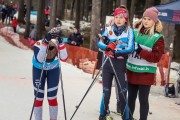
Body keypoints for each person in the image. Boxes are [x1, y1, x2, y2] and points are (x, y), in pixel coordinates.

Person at [126, 7, 165, 120]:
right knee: (130, 98)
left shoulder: (158, 37)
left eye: (149, 19)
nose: (146, 21)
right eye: (144, 18)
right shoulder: (134, 32)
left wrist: (140, 51)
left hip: (146, 73)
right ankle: (129, 118)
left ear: (155, 21)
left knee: (143, 99)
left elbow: (156, 57)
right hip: (131, 70)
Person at [98, 7, 134, 120]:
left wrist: (117, 50)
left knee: (123, 93)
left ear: (126, 19)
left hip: (120, 65)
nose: (118, 20)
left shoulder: (129, 31)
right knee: (106, 92)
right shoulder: (108, 29)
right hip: (108, 64)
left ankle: (126, 117)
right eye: (116, 17)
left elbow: (130, 48)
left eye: (121, 17)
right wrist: (108, 46)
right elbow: (100, 44)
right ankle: (102, 115)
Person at [32, 27, 68, 120]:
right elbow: (40, 59)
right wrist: (45, 42)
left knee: (52, 97)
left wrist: (61, 43)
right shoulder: (39, 44)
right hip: (39, 69)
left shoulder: (57, 44)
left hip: (53, 69)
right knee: (38, 97)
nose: (52, 50)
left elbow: (64, 58)